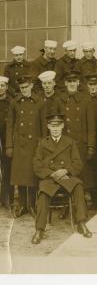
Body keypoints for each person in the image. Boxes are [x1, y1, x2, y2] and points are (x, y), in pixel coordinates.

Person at [31, 111, 92, 244]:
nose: (55, 129)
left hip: (66, 177)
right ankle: (39, 229)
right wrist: (52, 173)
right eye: (53, 126)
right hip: (50, 177)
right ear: (48, 127)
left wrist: (65, 170)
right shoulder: (42, 143)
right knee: (43, 193)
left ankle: (81, 222)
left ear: (62, 126)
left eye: (58, 126)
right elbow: (36, 164)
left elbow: (77, 163)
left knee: (78, 186)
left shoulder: (70, 142)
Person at [55, 70, 97, 208]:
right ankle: (67, 204)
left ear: (78, 83)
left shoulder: (86, 100)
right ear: (65, 83)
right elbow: (55, 123)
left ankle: (87, 201)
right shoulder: (59, 100)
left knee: (86, 175)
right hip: (65, 144)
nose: (72, 84)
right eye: (69, 82)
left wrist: (91, 146)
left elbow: (91, 126)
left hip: (82, 144)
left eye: (74, 81)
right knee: (68, 172)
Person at [6, 75, 45, 217]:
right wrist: (9, 146)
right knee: (20, 176)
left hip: (34, 145)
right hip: (19, 145)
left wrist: (43, 145)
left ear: (31, 86)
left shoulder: (39, 102)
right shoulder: (14, 102)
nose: (24, 90)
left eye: (26, 87)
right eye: (21, 88)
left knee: (33, 176)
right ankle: (22, 205)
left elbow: (43, 126)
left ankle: (32, 205)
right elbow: (10, 125)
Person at [0, 76, 12, 208]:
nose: (0, 88)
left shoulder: (11, 102)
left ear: (7, 87)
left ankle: (6, 198)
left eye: (2, 85)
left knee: (7, 169)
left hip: (6, 140)